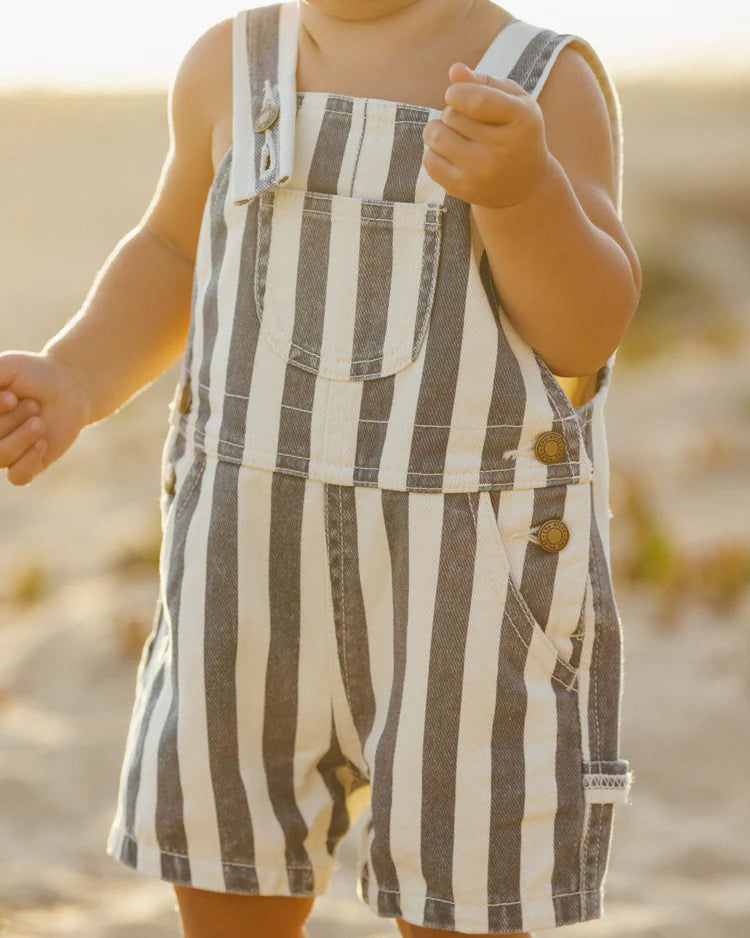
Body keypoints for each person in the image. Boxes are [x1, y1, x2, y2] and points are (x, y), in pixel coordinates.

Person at [0, 1, 641, 936]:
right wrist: (77, 372)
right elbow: (175, 249)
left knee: (466, 871)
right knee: (229, 854)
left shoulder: (539, 82)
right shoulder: (229, 62)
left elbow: (587, 330)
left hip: (464, 570)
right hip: (247, 550)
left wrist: (526, 193)